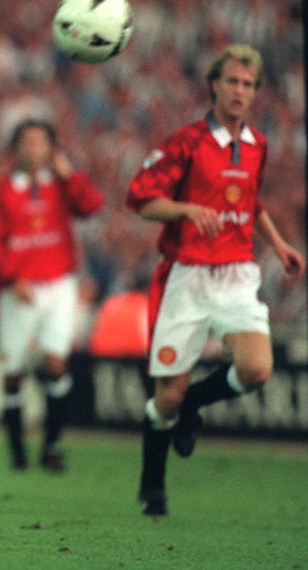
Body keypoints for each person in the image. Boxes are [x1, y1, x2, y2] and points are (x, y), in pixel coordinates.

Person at [127, 44, 304, 517]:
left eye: (248, 84)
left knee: (256, 369)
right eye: (232, 81)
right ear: (214, 85)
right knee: (166, 398)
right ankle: (153, 486)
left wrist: (279, 243)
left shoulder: (258, 144)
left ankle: (193, 405)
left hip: (236, 274)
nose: (239, 91)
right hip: (186, 276)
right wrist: (186, 209)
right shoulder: (186, 142)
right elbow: (141, 200)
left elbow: (250, 201)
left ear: (255, 91)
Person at [0, 119, 104, 472]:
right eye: (27, 142)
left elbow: (92, 206)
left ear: (51, 148)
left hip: (59, 285)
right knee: (12, 371)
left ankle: (52, 445)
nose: (33, 149)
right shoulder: (0, 191)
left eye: (40, 142)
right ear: (15, 149)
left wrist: (70, 173)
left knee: (55, 363)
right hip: (18, 289)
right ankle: (17, 450)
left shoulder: (62, 184)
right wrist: (10, 277)